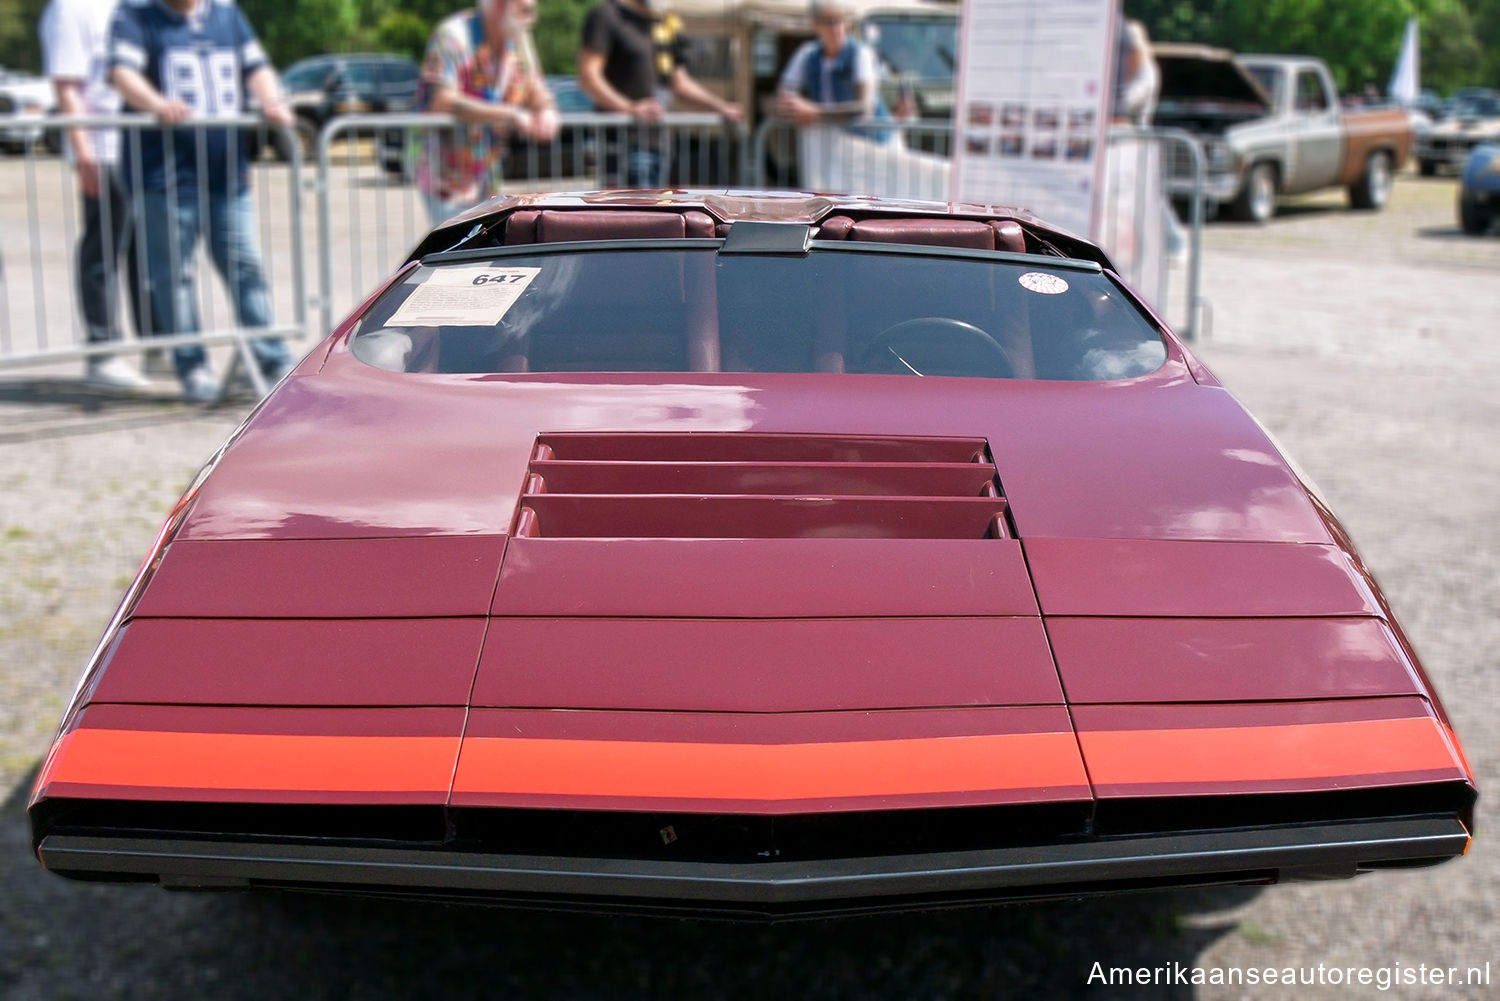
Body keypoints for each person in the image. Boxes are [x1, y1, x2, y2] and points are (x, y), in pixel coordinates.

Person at [107, 0, 296, 402]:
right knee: (174, 277)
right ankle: (192, 367)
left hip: (226, 173)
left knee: (245, 265)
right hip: (165, 176)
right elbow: (121, 73)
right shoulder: (137, 15)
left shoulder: (226, 14)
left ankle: (272, 358)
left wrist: (271, 100)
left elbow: (256, 67)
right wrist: (157, 104)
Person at [40, 0, 149, 391]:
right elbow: (67, 86)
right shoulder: (70, 9)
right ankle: (102, 353)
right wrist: (84, 152)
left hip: (138, 149)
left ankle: (159, 343)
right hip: (102, 148)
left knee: (145, 251)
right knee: (103, 249)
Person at [415, 0, 559, 224]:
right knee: (458, 253)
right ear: (501, 6)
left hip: (487, 175)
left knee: (480, 250)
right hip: (447, 176)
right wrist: (509, 113)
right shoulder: (454, 35)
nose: (532, 18)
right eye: (525, 10)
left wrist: (547, 109)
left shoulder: (518, 40)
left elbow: (535, 88)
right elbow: (442, 100)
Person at [578, 0, 742, 187]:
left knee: (655, 212)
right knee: (633, 213)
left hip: (659, 142)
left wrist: (722, 107)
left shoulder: (664, 22)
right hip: (622, 143)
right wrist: (630, 108)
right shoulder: (606, 15)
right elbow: (589, 76)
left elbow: (680, 83)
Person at [775, 0, 890, 135]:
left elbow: (864, 108)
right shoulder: (807, 53)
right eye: (828, 22)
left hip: (874, 143)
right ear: (815, 25)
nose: (835, 28)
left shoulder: (860, 53)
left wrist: (815, 112)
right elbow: (784, 94)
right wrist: (791, 105)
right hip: (832, 141)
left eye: (840, 21)